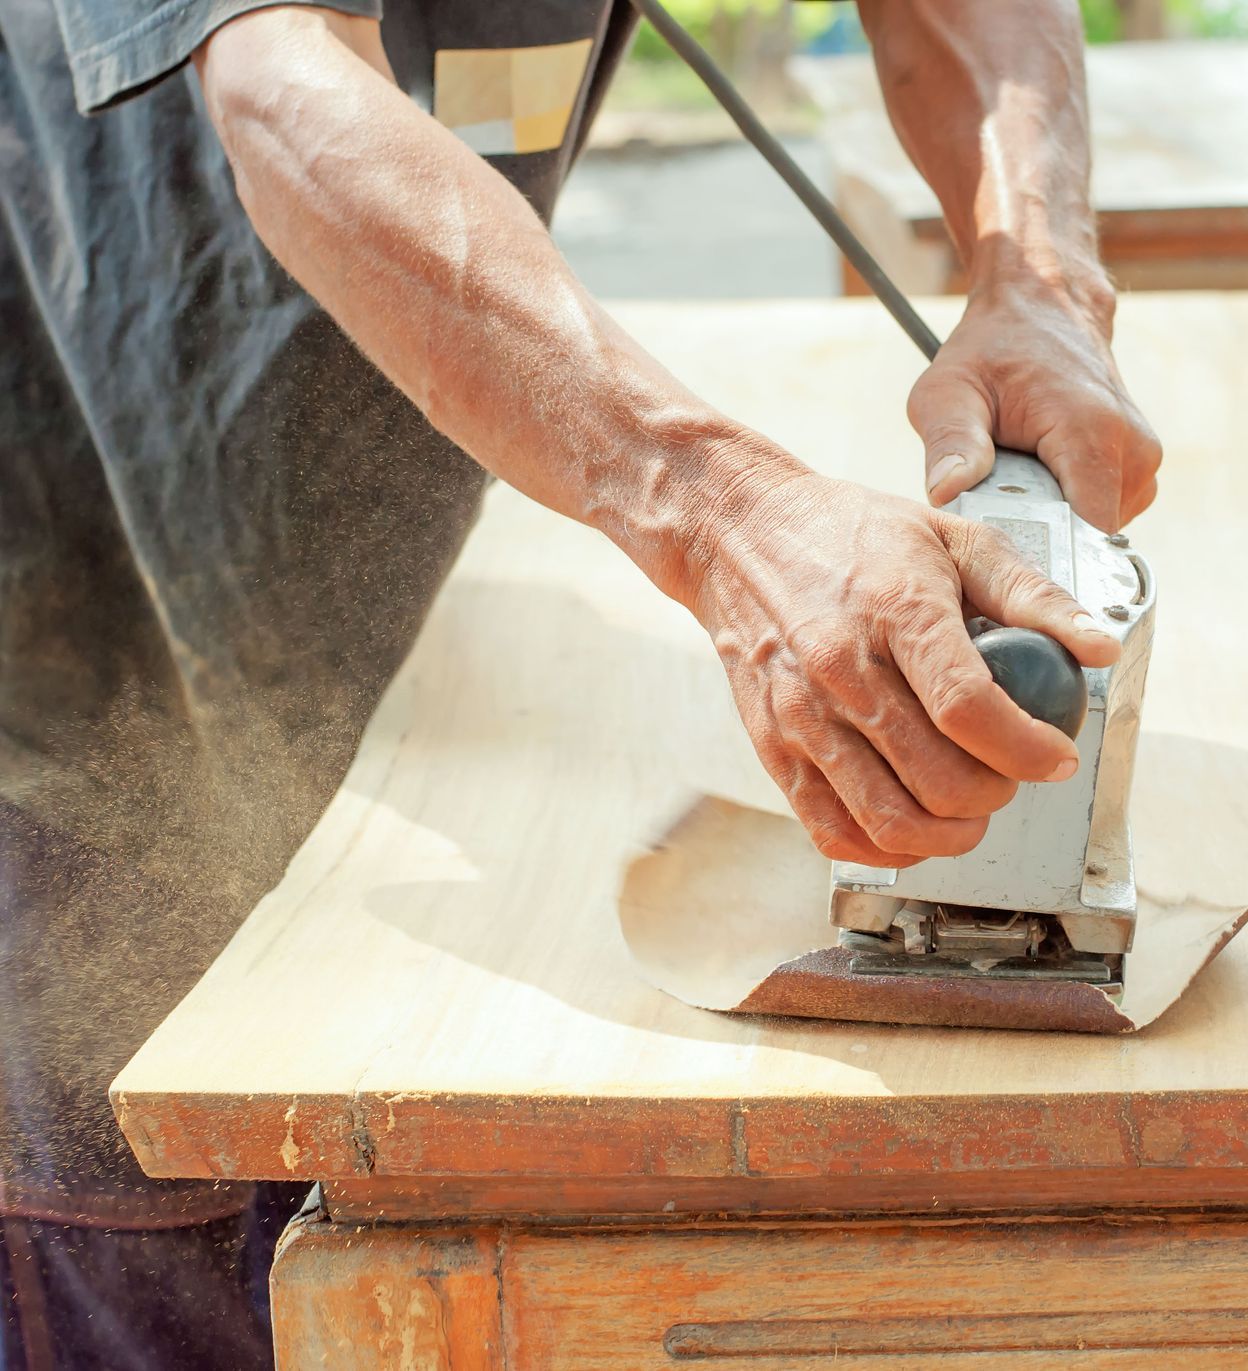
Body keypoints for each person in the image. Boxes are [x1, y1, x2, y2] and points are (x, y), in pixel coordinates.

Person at [0, 0, 1159, 1364]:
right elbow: (282, 90)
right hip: (73, 592)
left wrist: (1040, 277)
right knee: (147, 1206)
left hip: (396, 594)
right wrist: (723, 511)